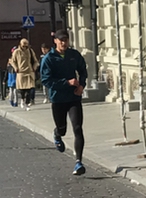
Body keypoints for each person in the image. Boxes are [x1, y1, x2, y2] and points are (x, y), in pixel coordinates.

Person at [40, 28, 88, 176]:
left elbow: (83, 70)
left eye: (66, 40)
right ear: (55, 41)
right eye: (61, 40)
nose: (63, 43)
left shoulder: (74, 55)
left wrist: (81, 85)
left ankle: (78, 162)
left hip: (74, 98)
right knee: (62, 129)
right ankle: (57, 134)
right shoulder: (49, 58)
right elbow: (46, 80)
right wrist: (66, 82)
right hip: (58, 99)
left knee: (77, 128)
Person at [9, 38, 39, 110]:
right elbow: (12, 61)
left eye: (26, 46)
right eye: (23, 46)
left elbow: (35, 61)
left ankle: (27, 103)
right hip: (21, 73)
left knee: (29, 89)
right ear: (20, 45)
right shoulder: (16, 52)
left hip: (29, 72)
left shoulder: (30, 51)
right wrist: (16, 68)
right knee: (22, 90)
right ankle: (22, 99)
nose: (25, 47)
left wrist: (34, 68)